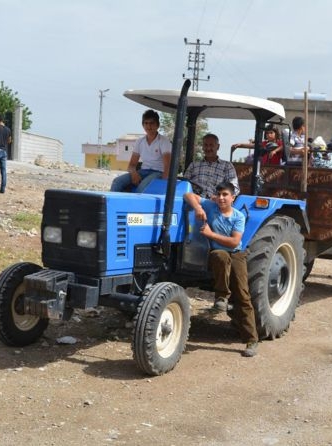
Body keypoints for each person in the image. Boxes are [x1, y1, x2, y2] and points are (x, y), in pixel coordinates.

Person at [183, 181, 259, 357]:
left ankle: (251, 340)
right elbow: (188, 195)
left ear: (233, 198)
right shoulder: (211, 206)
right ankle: (222, 298)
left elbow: (234, 242)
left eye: (225, 195)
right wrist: (198, 208)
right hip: (219, 254)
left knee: (242, 294)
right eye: (219, 195)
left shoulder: (238, 216)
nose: (222, 198)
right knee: (219, 255)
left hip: (236, 253)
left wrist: (210, 235)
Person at [110, 109, 171, 192]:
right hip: (143, 171)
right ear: (143, 125)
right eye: (146, 123)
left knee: (141, 188)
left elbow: (167, 166)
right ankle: (112, 204)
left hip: (158, 172)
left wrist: (164, 183)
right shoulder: (140, 142)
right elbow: (131, 165)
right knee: (117, 182)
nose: (149, 126)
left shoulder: (164, 141)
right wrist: (134, 174)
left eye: (152, 123)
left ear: (157, 125)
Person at [184, 133, 240, 198]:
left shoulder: (227, 166)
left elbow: (234, 188)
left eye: (211, 145)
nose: (208, 148)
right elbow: (184, 184)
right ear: (202, 147)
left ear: (218, 147)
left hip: (217, 203)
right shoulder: (194, 165)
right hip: (195, 200)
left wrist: (219, 197)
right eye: (205, 145)